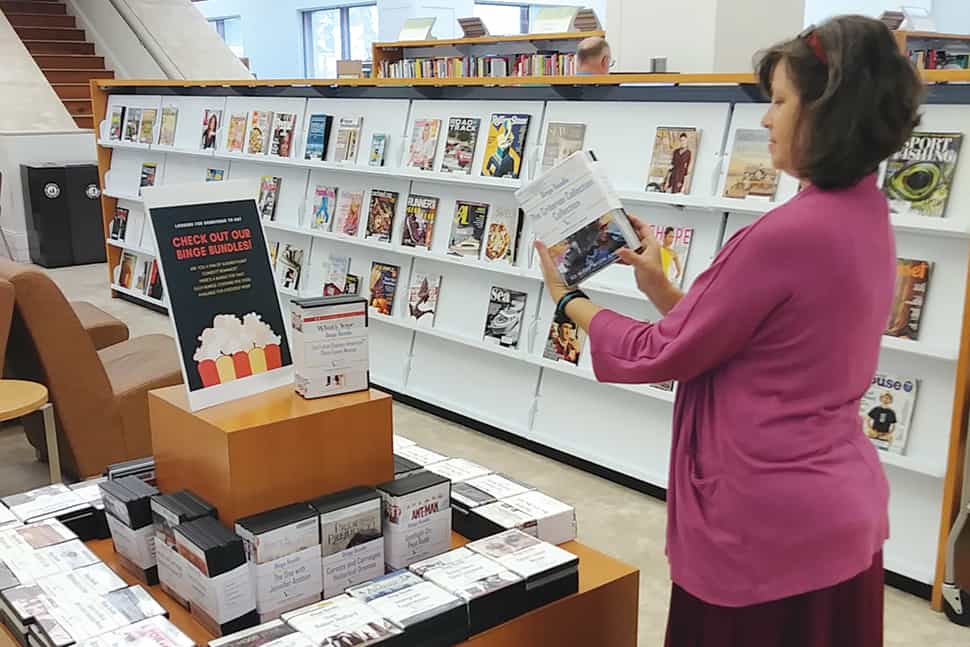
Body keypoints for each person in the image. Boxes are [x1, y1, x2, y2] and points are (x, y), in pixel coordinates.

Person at [535, 15, 922, 646]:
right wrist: (660, 286)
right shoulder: (866, 213)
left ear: (828, 112)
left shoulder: (786, 235)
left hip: (766, 530)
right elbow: (748, 341)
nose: (765, 120)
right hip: (837, 511)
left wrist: (566, 298)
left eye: (778, 102)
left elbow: (660, 352)